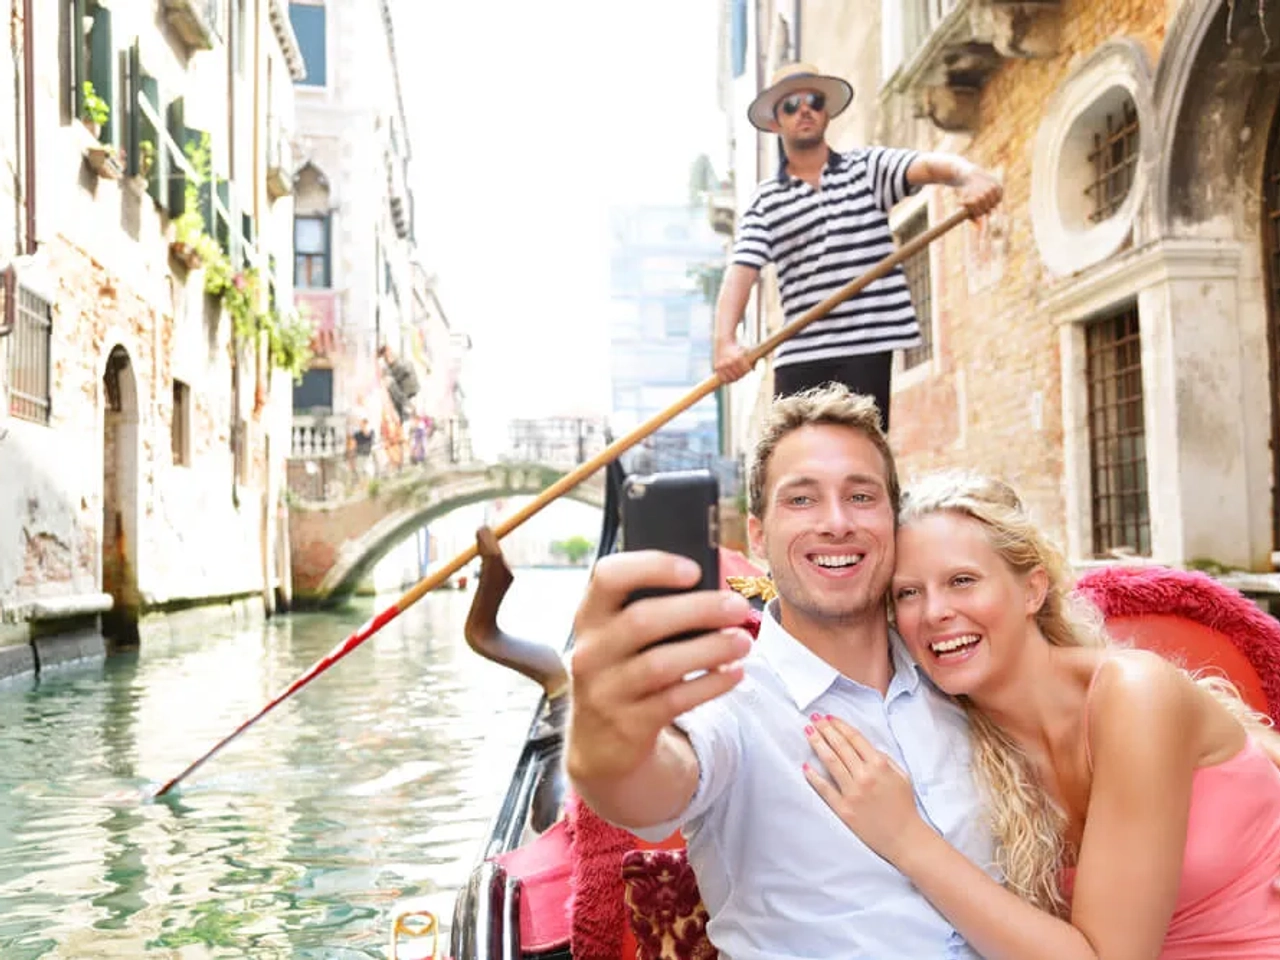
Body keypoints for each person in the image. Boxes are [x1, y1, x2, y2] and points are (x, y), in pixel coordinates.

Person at [565, 383, 993, 958]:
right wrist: (607, 743)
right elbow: (648, 787)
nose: (836, 522)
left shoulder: (958, 668)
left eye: (861, 496)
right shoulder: (726, 695)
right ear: (758, 536)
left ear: (894, 520)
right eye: (801, 499)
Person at [804, 470, 1280, 959]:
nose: (934, 612)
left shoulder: (1133, 693)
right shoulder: (958, 742)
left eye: (962, 581)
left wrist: (907, 840)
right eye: (908, 593)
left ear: (1033, 590)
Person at [711, 62, 1003, 430]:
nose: (805, 110)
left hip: (866, 347)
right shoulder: (766, 200)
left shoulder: (867, 168)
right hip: (800, 351)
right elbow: (742, 270)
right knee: (793, 455)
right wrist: (725, 341)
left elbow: (930, 166)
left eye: (815, 101)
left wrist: (970, 176)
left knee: (861, 453)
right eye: (791, 104)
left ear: (826, 112)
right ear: (775, 122)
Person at [378, 344, 419, 423]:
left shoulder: (398, 363)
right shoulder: (395, 362)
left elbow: (404, 372)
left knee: (389, 382)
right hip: (407, 392)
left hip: (408, 390)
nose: (387, 358)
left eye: (387, 356)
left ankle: (405, 415)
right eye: (385, 356)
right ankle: (404, 417)